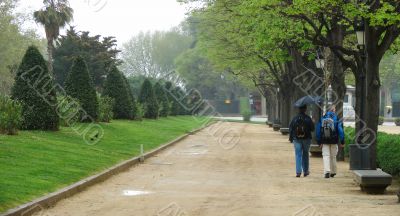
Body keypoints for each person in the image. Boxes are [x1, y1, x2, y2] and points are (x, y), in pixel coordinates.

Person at [316, 105, 345, 178]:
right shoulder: (337, 118)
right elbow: (340, 131)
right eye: (334, 109)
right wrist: (342, 141)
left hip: (324, 140)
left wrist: (319, 142)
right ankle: (333, 171)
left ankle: (327, 172)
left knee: (326, 156)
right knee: (333, 156)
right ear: (333, 110)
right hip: (334, 140)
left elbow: (318, 131)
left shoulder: (322, 118)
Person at [289, 105, 315, 178]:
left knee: (298, 155)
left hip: (297, 139)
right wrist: (313, 122)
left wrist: (291, 138)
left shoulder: (295, 118)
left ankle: (298, 172)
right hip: (306, 139)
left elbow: (291, 128)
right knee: (305, 154)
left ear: (299, 109)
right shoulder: (308, 118)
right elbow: (312, 129)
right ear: (305, 109)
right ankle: (306, 171)